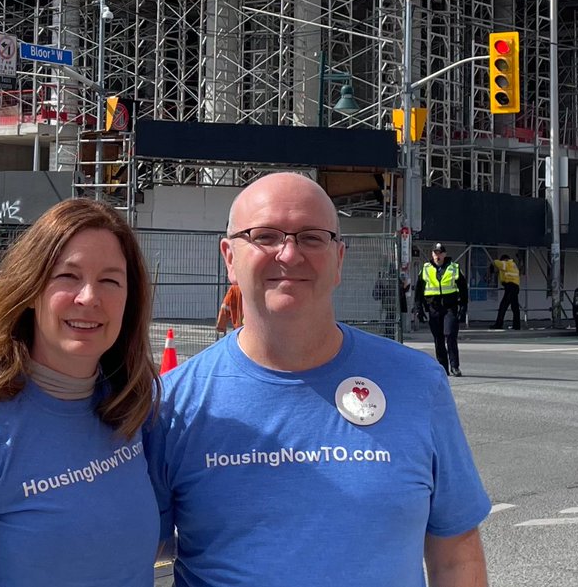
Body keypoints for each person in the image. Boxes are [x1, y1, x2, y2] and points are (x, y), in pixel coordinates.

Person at [145, 173, 490, 587]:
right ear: (230, 258)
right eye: (266, 236)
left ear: (339, 258)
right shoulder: (172, 406)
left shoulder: (419, 384)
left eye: (311, 237)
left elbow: (455, 555)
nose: (289, 254)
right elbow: (130, 552)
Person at [0, 199, 162, 587]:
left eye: (110, 280)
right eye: (68, 276)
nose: (89, 297)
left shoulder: (133, 409)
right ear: (30, 290)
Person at [415, 243, 469, 376]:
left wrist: (463, 307)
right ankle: (443, 367)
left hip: (450, 307)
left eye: (439, 253)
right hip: (433, 308)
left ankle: (455, 366)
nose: (437, 256)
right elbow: (418, 290)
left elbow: (463, 289)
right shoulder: (426, 269)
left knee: (450, 335)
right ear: (432, 254)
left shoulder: (454, 268)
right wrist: (419, 309)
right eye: (435, 253)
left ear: (444, 254)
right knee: (438, 339)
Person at [489, 254, 521, 330]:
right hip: (515, 287)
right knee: (515, 308)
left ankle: (498, 324)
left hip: (510, 287)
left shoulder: (505, 263)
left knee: (503, 306)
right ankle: (517, 326)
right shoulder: (513, 265)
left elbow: (496, 262)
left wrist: (493, 262)